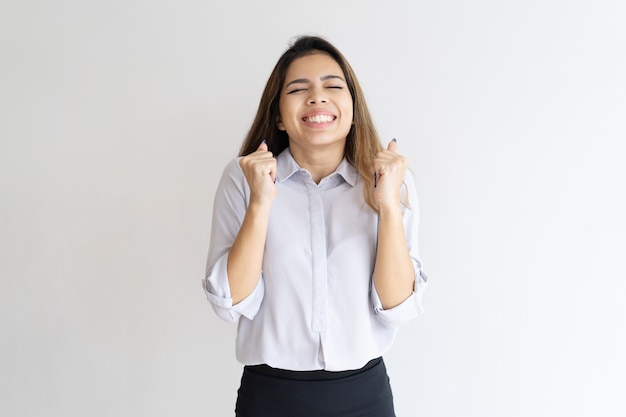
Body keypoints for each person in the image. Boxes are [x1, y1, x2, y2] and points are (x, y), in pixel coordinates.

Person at [203, 35, 428, 417]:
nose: (317, 98)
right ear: (278, 115)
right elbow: (231, 303)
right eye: (298, 88)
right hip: (270, 397)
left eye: (332, 86)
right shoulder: (243, 178)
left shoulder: (391, 182)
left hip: (364, 396)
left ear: (353, 109)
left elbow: (396, 308)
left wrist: (389, 206)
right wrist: (261, 202)